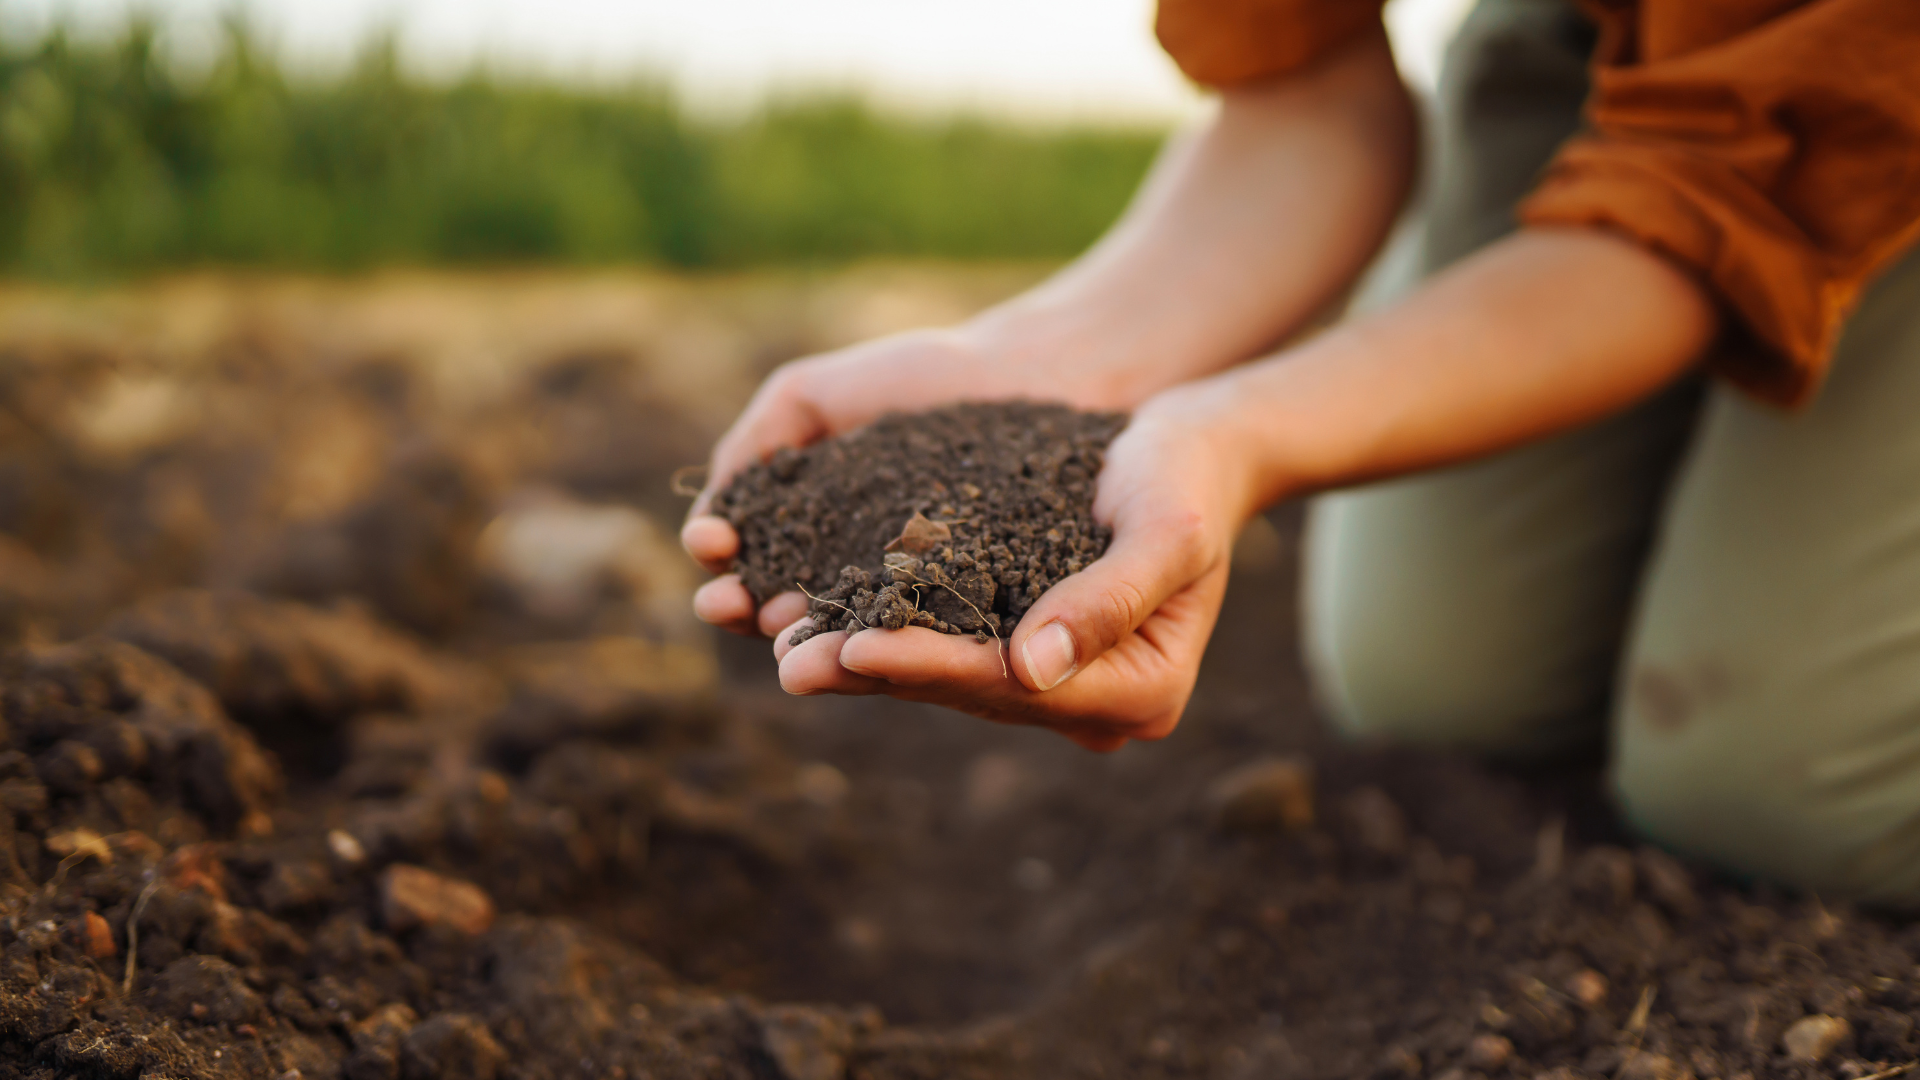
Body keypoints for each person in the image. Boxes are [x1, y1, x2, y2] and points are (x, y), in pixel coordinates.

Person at [682, 0, 1920, 902]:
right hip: (1614, 45)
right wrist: (1066, 367)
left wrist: (1241, 432)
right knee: (1441, 679)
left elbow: (1700, 209)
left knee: (1787, 792)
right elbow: (1302, 92)